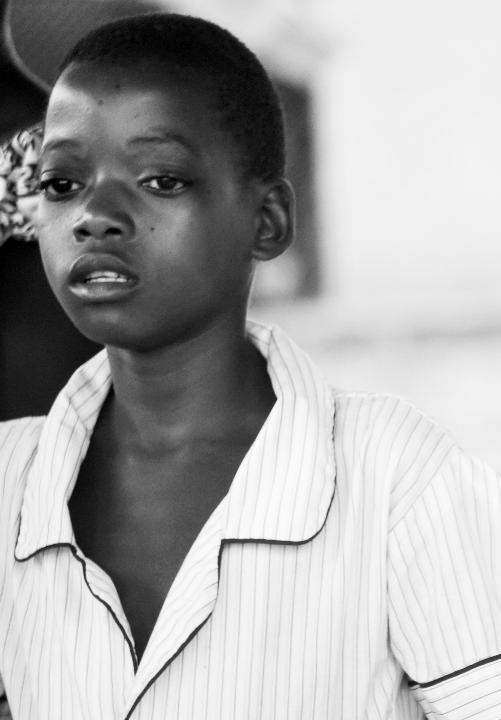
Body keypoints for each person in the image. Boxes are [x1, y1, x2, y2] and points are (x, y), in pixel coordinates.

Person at [0, 13, 500, 720]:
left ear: (267, 221)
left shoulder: (396, 479)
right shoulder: (11, 483)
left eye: (161, 179)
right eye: (61, 183)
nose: (94, 214)